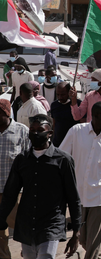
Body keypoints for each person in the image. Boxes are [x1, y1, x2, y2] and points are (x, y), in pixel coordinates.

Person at [0, 114, 82, 259]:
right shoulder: (22, 160)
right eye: (32, 129)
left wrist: (76, 232)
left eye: (40, 129)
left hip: (51, 224)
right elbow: (10, 194)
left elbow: (73, 198)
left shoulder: (63, 160)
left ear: (50, 133)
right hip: (27, 225)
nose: (36, 133)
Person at [59, 102, 101, 259]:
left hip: (100, 195)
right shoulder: (76, 131)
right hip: (78, 196)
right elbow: (61, 158)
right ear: (95, 116)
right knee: (84, 239)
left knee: (93, 242)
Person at [0, 99, 29, 258]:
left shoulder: (22, 131)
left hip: (15, 193)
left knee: (22, 228)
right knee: (0, 235)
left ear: (5, 114)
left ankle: (29, 252)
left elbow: (30, 160)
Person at [50, 82, 83, 147]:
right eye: (58, 95)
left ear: (69, 92)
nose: (60, 97)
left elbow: (82, 124)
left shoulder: (78, 104)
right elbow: (54, 123)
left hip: (73, 144)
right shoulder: (54, 105)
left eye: (63, 95)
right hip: (58, 143)